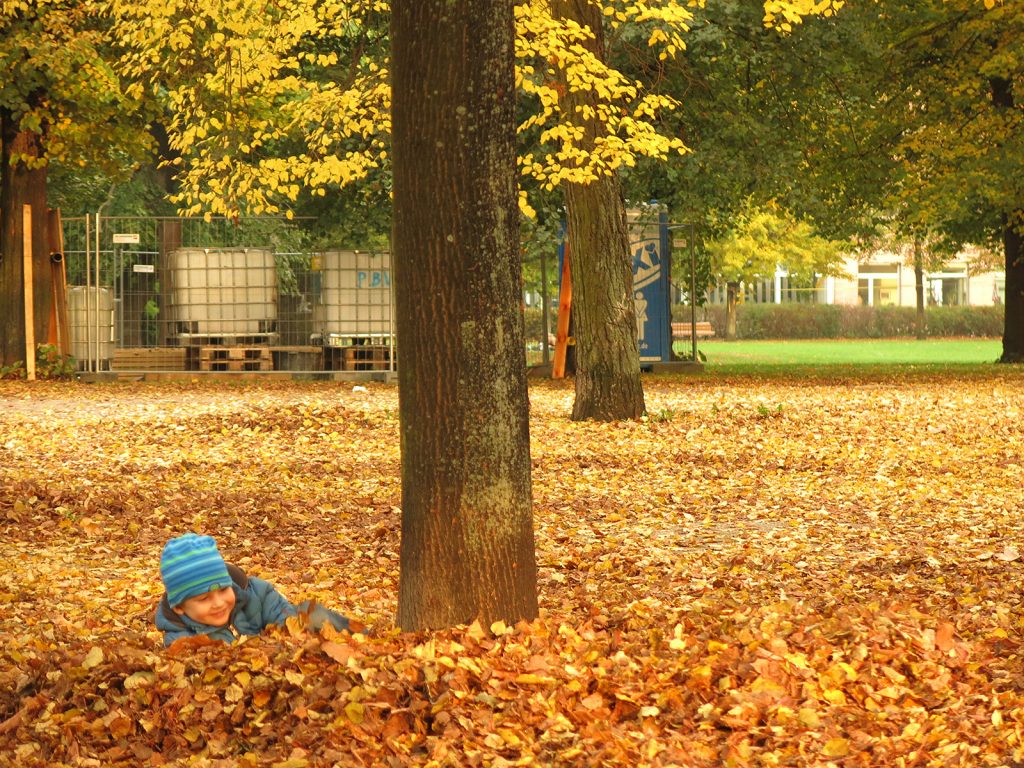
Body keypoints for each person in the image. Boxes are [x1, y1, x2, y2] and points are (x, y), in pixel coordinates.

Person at [155, 532, 351, 647]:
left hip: (278, 651)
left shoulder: (256, 594)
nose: (219, 603)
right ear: (180, 607)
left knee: (312, 614)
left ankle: (366, 645)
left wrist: (293, 637)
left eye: (223, 590)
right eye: (204, 599)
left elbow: (287, 619)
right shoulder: (181, 640)